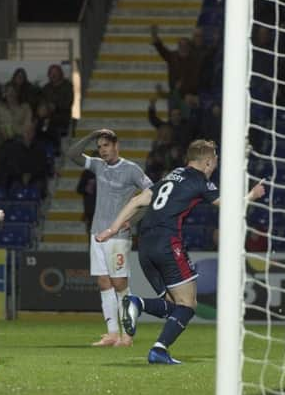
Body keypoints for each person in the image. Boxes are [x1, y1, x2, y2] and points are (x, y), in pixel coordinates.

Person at [96, 140, 265, 364]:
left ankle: (142, 312)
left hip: (145, 245)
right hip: (168, 243)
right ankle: (155, 342)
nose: (214, 165)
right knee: (188, 304)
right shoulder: (200, 181)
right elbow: (230, 207)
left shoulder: (172, 175)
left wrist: (112, 229)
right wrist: (252, 195)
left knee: (174, 307)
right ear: (207, 162)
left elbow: (138, 200)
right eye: (214, 161)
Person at [67, 129, 153, 347]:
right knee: (104, 282)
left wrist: (132, 221)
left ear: (117, 145)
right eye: (99, 147)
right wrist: (92, 135)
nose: (102, 150)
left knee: (119, 283)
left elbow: (152, 195)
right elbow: (72, 154)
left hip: (118, 235)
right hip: (97, 232)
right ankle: (112, 333)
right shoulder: (98, 165)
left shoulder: (131, 169)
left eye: (106, 145)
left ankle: (128, 335)